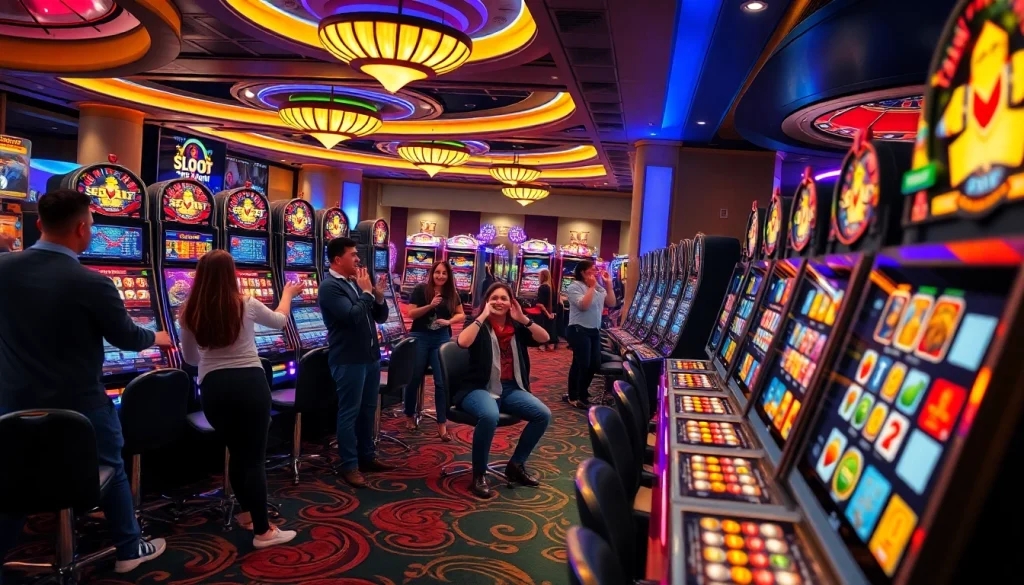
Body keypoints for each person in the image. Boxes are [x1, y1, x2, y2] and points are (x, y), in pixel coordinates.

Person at [0, 190, 173, 576]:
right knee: (110, 467)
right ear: (82, 228)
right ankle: (129, 547)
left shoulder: (3, 268)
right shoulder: (91, 282)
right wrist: (157, 337)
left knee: (13, 482)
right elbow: (127, 337)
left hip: (12, 402)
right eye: (92, 226)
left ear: (40, 224)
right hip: (80, 403)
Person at [178, 250, 301, 549]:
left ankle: (247, 515)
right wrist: (287, 293)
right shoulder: (245, 303)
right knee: (254, 459)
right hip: (248, 383)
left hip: (214, 387)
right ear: (231, 274)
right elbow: (280, 321)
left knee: (236, 452)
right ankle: (263, 531)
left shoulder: (188, 310)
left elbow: (191, 359)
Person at [454, 282, 552, 499]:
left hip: (509, 388)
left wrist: (524, 319)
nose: (499, 302)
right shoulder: (478, 324)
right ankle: (479, 474)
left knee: (542, 415)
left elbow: (545, 338)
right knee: (490, 415)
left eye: (504, 298)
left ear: (511, 303)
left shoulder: (517, 326)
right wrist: (481, 316)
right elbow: (462, 342)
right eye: (494, 298)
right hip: (479, 387)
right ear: (487, 301)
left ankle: (516, 465)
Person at [319, 236, 396, 488]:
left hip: (370, 358)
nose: (358, 259)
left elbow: (380, 317)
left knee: (367, 411)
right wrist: (365, 293)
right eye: (353, 254)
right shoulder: (330, 287)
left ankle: (366, 457)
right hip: (349, 360)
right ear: (338, 259)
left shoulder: (352, 283)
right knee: (349, 413)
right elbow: (351, 316)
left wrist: (379, 296)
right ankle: (349, 465)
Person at [403, 260, 466, 440]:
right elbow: (411, 314)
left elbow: (461, 314)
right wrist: (430, 305)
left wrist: (449, 321)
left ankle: (442, 423)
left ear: (448, 276)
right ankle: (409, 414)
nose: (440, 276)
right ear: (432, 273)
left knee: (441, 382)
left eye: (444, 273)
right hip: (420, 337)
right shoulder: (420, 290)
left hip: (441, 338)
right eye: (437, 272)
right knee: (414, 378)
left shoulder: (452, 293)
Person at [564, 260, 616, 409]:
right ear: (583, 272)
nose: (596, 272)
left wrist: (608, 284)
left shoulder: (598, 288)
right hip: (578, 329)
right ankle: (574, 396)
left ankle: (582, 392)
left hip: (594, 330)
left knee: (594, 364)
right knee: (581, 364)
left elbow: (611, 303)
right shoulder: (575, 287)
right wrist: (591, 287)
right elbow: (583, 306)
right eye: (592, 270)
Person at [535, 269, 557, 352]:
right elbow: (555, 302)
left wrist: (547, 313)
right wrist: (552, 313)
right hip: (552, 312)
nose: (538, 277)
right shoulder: (552, 286)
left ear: (543, 276)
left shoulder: (542, 287)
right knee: (550, 326)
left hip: (544, 313)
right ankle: (551, 343)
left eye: (539, 275)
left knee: (540, 325)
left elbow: (540, 304)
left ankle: (542, 344)